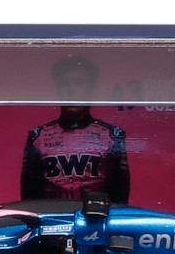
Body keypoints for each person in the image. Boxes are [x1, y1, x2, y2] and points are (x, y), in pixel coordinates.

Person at [20, 56, 130, 203]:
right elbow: (29, 197)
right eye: (65, 83)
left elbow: (120, 197)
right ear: (57, 90)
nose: (71, 89)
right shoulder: (38, 137)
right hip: (52, 215)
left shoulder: (112, 136)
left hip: (96, 216)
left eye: (79, 83)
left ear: (92, 89)